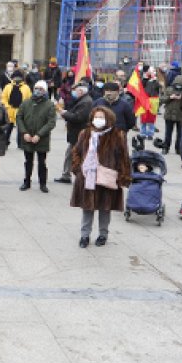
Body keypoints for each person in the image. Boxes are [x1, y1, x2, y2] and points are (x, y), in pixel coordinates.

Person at [70, 106, 132, 247]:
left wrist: (123, 176)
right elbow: (76, 151)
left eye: (101, 117)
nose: (98, 120)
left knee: (105, 208)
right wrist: (78, 168)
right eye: (96, 117)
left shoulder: (117, 135)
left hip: (107, 177)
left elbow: (124, 157)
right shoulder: (85, 133)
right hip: (88, 176)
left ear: (108, 119)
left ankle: (103, 235)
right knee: (87, 208)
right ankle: (84, 236)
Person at [17, 80, 57, 193]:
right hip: (27, 137)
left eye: (41, 89)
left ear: (45, 91)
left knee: (42, 162)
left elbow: (51, 122)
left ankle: (43, 183)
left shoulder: (49, 104)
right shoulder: (26, 103)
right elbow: (19, 118)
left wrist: (39, 134)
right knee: (28, 161)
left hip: (41, 139)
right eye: (36, 88)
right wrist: (24, 132)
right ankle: (27, 182)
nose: (38, 91)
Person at [160, 79, 182, 154]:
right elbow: (162, 99)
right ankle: (166, 147)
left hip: (181, 115)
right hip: (169, 115)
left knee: (180, 134)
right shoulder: (169, 89)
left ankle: (178, 148)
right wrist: (170, 97)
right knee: (168, 133)